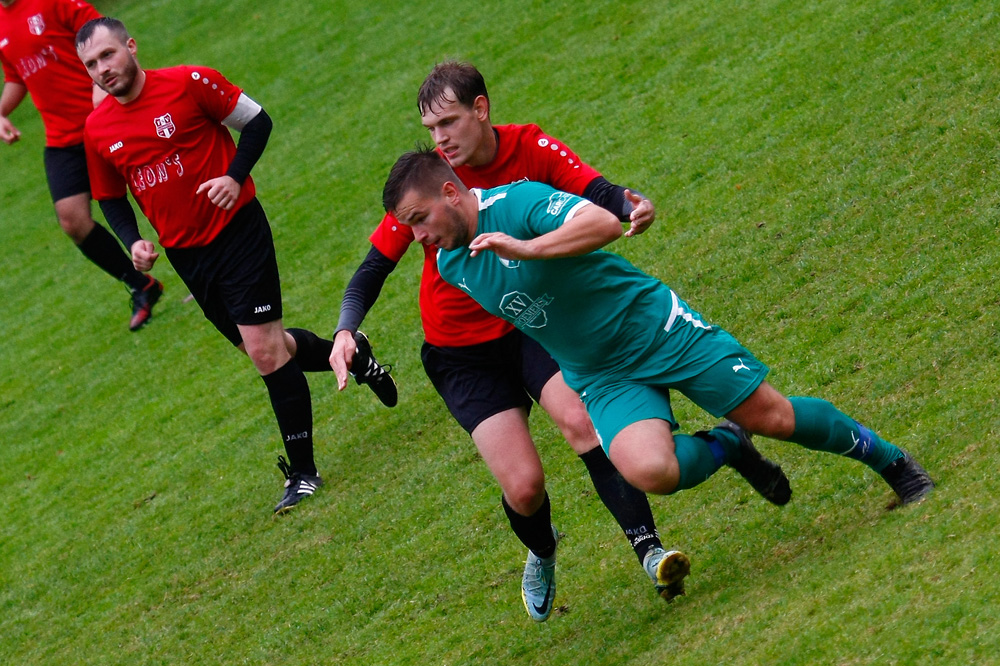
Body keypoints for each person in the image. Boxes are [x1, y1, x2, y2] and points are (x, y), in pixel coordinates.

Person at [382, 147, 936, 596]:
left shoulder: (519, 202)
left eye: (419, 219)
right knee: (650, 471)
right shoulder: (452, 264)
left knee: (774, 415)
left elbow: (600, 222)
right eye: (407, 228)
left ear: (451, 192)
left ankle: (891, 461)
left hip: (654, 328)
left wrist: (528, 247)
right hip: (601, 374)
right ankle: (728, 446)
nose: (417, 237)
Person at [332, 62, 692, 621]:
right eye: (430, 129)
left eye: (448, 122)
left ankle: (649, 549)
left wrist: (631, 203)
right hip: (459, 352)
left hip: (531, 323)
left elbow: (593, 192)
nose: (440, 139)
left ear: (481, 109)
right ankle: (542, 549)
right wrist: (344, 329)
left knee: (581, 421)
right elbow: (372, 269)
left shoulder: (527, 148)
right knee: (524, 488)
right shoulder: (427, 186)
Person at [75, 17, 396, 514]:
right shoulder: (97, 130)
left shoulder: (188, 82)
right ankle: (350, 354)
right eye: (92, 64)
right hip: (186, 255)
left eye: (109, 55)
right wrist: (133, 240)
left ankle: (304, 473)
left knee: (266, 353)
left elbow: (258, 120)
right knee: (270, 349)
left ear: (131, 47)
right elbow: (110, 195)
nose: (103, 69)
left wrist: (233, 176)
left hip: (238, 232)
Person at [0, 0, 163, 330]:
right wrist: (1, 111)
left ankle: (203, 259)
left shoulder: (53, 3)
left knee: (154, 188)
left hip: (104, 122)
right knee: (72, 220)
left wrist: (99, 90)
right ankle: (141, 284)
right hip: (62, 139)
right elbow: (18, 76)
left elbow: (105, 37)